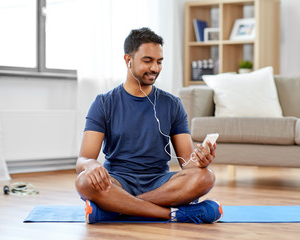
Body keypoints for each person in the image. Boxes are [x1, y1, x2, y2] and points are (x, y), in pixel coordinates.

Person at [75, 27, 222, 224]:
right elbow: (83, 159)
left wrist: (201, 162)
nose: (155, 68)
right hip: (118, 182)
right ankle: (175, 214)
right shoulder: (104, 103)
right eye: (147, 61)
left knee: (206, 177)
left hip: (160, 183)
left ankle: (116, 209)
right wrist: (91, 164)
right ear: (128, 60)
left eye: (159, 62)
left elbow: (187, 163)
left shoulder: (172, 104)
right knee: (84, 182)